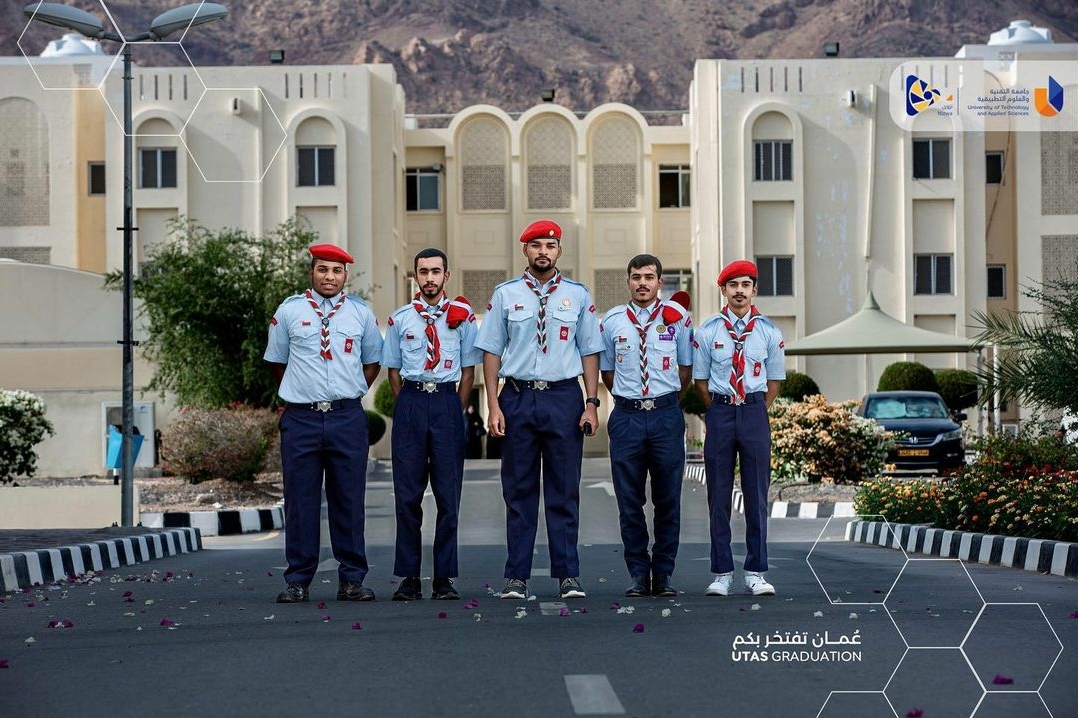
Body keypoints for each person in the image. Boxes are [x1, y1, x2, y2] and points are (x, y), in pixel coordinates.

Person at [476, 219, 604, 600]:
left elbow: (589, 351)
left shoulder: (578, 295)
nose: (543, 252)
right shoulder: (506, 295)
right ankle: (516, 576)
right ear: (525, 251)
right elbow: (491, 351)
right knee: (519, 491)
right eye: (536, 246)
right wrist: (493, 404)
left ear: (559, 250)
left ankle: (568, 575)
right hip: (517, 397)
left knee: (564, 491)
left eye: (550, 245)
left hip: (563, 398)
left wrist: (591, 403)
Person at [265, 243, 384, 604]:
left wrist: (350, 392)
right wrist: (300, 392)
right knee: (300, 501)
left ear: (346, 275)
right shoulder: (289, 310)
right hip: (301, 418)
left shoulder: (361, 313)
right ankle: (298, 580)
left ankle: (352, 580)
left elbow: (372, 361)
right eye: (322, 269)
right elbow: (277, 362)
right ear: (311, 272)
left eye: (336, 271)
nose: (329, 277)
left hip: (347, 418)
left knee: (349, 501)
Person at [382, 248, 481, 601]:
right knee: (407, 496)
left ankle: (444, 578)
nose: (429, 278)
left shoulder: (463, 318)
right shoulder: (400, 319)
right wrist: (407, 405)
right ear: (416, 277)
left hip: (446, 403)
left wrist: (456, 407)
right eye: (423, 272)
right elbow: (393, 372)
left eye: (435, 271)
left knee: (448, 496)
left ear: (446, 276)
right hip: (411, 401)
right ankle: (409, 577)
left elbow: (468, 371)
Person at [600, 255, 693, 598]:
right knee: (629, 502)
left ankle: (664, 573)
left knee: (668, 500)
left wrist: (663, 400)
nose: (642, 283)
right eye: (636, 277)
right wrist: (632, 400)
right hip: (627, 417)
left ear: (659, 283)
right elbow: (607, 372)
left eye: (649, 277)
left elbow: (685, 369)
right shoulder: (612, 322)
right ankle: (638, 573)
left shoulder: (678, 318)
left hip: (665, 416)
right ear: (628, 281)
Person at [692, 260, 785, 597]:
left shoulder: (770, 332)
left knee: (756, 494)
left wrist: (753, 407)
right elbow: (701, 382)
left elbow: (774, 381)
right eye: (733, 285)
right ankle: (722, 573)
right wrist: (720, 409)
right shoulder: (708, 331)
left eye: (745, 285)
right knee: (718, 495)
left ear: (754, 290)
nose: (739, 291)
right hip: (720, 412)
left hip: (754, 412)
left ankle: (756, 572)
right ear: (723, 290)